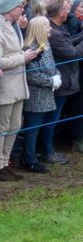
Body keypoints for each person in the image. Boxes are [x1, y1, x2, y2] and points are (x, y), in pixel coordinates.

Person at [0, 0, 40, 181]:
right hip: (5, 85)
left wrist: (27, 53)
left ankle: (5, 162)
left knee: (15, 125)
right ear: (9, 9)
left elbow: (16, 51)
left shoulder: (14, 25)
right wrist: (23, 58)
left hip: (18, 83)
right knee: (1, 126)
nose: (22, 9)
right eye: (19, 6)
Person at [21, 16, 61, 173]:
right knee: (32, 128)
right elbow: (32, 76)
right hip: (36, 97)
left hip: (47, 96)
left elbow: (53, 66)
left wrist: (57, 75)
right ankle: (29, 159)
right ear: (38, 29)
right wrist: (51, 81)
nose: (50, 28)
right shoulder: (30, 48)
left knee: (39, 127)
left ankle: (32, 155)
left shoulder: (47, 45)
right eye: (47, 26)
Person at [47, 0, 83, 158]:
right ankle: (47, 150)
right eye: (67, 9)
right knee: (53, 117)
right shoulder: (54, 31)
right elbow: (72, 52)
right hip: (61, 80)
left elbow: (70, 41)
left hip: (67, 79)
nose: (68, 12)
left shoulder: (58, 28)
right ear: (61, 12)